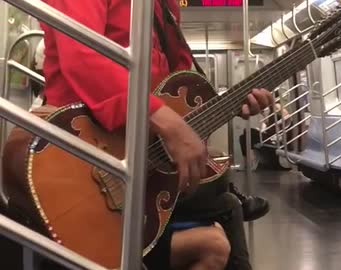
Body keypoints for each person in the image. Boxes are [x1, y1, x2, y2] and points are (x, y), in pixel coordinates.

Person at [17, 0, 274, 269]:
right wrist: (162, 119)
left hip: (138, 144)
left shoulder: (165, 6)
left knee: (224, 199)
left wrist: (229, 104)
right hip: (84, 148)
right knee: (225, 212)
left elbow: (176, 83)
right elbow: (83, 57)